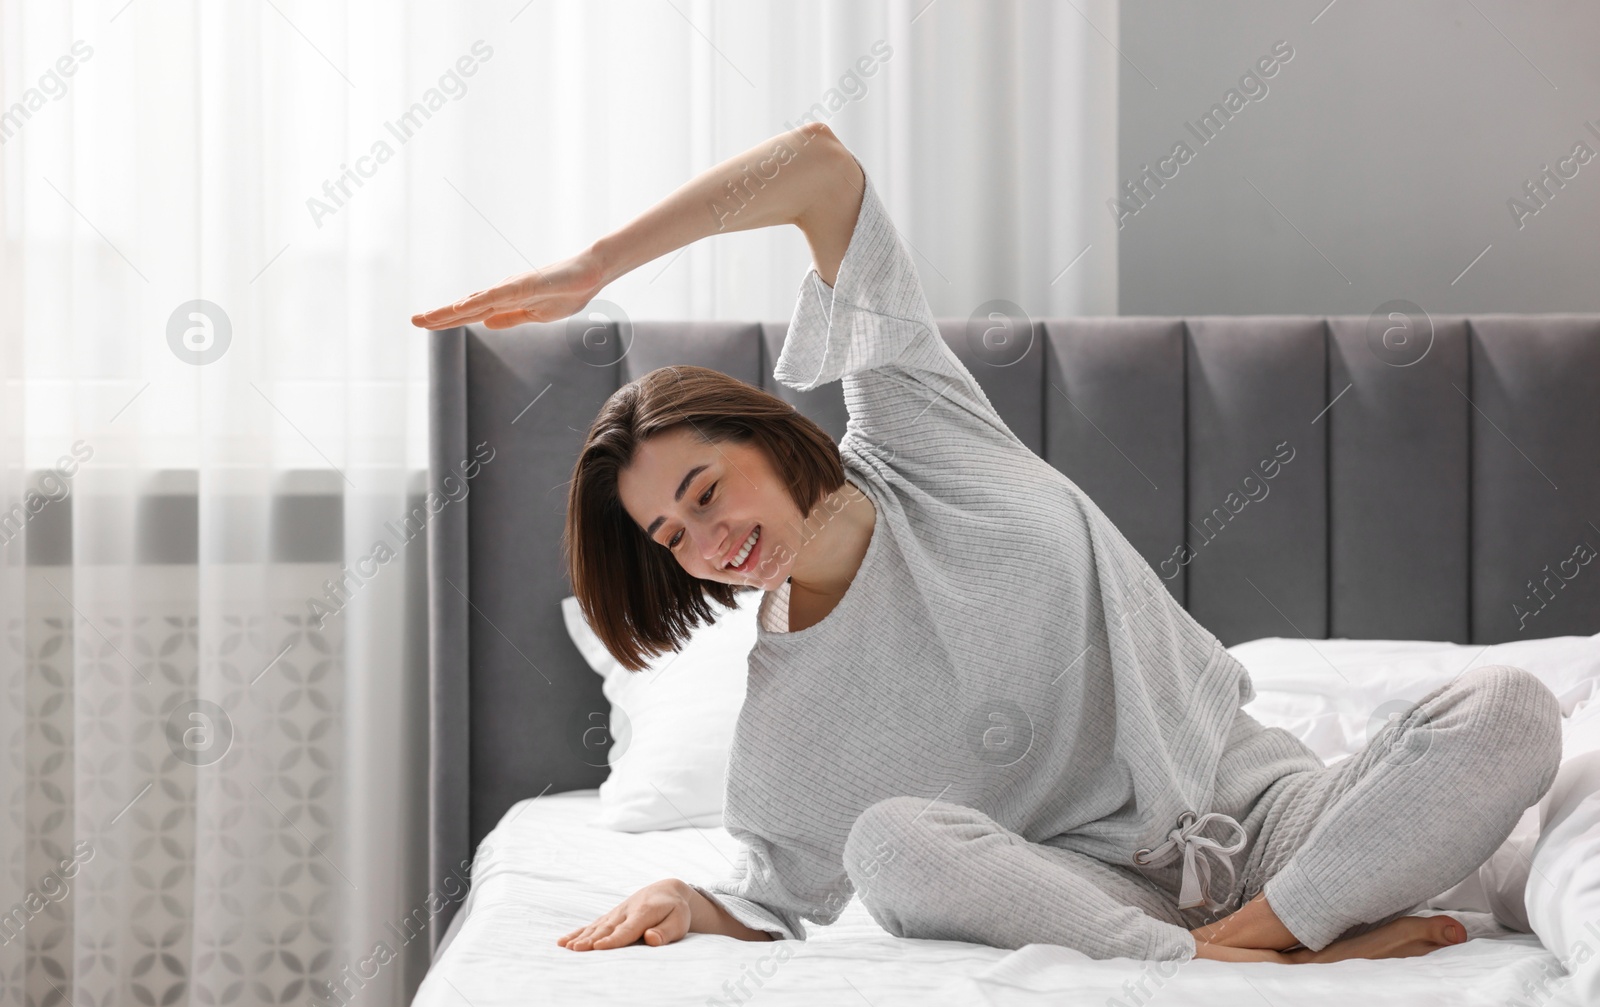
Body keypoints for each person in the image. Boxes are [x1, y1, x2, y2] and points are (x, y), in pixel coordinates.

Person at [412, 124, 1564, 964]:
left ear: (768, 432)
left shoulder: (919, 427)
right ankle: (1248, 955)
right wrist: (688, 897)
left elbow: (819, 167)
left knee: (1508, 706)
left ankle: (1264, 942)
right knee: (890, 842)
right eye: (672, 536)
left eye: (706, 490)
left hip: (1274, 817)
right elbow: (778, 892)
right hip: (1108, 907)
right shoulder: (787, 707)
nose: (707, 540)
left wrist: (594, 270)